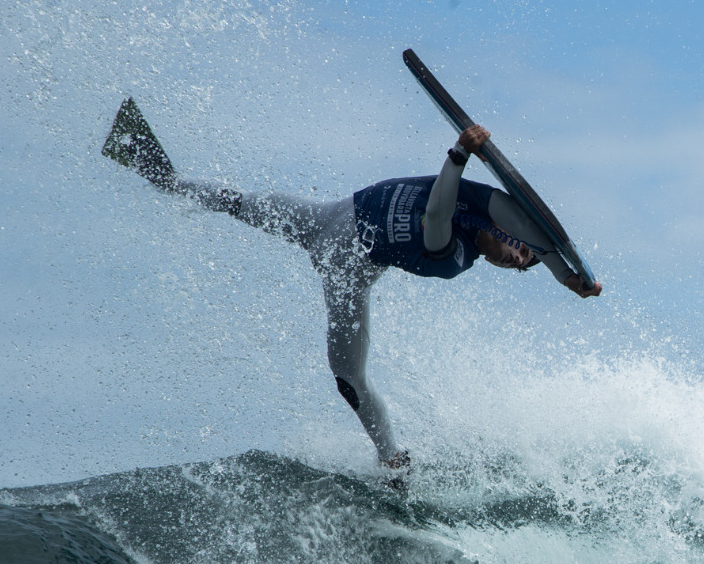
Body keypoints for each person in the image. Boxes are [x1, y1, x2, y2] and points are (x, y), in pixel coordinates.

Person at [102, 98, 601, 473]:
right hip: (328, 216)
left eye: (518, 264)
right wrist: (565, 276)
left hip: (346, 263)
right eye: (520, 250)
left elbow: (435, 212)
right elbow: (527, 224)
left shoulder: (451, 257)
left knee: (347, 376)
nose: (515, 255)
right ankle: (159, 174)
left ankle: (391, 459)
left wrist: (456, 154)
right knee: (238, 203)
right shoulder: (488, 206)